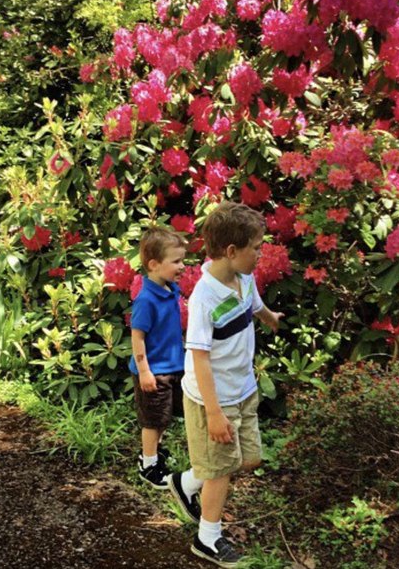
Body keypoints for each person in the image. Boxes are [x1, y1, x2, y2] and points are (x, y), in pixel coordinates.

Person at [168, 201, 284, 568]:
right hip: (211, 400)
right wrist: (215, 414)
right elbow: (200, 357)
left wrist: (269, 317)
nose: (261, 254)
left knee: (249, 459)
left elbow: (253, 303)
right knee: (219, 471)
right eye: (257, 248)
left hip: (243, 388)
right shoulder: (204, 297)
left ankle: (186, 482)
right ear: (232, 252)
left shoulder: (243, 277)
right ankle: (208, 538)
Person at [129, 226, 188, 489]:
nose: (182, 266)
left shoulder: (169, 289)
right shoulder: (146, 300)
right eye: (176, 261)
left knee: (164, 417)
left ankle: (153, 452)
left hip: (173, 366)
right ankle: (149, 466)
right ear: (154, 264)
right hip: (154, 371)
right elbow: (137, 336)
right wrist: (144, 371)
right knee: (153, 421)